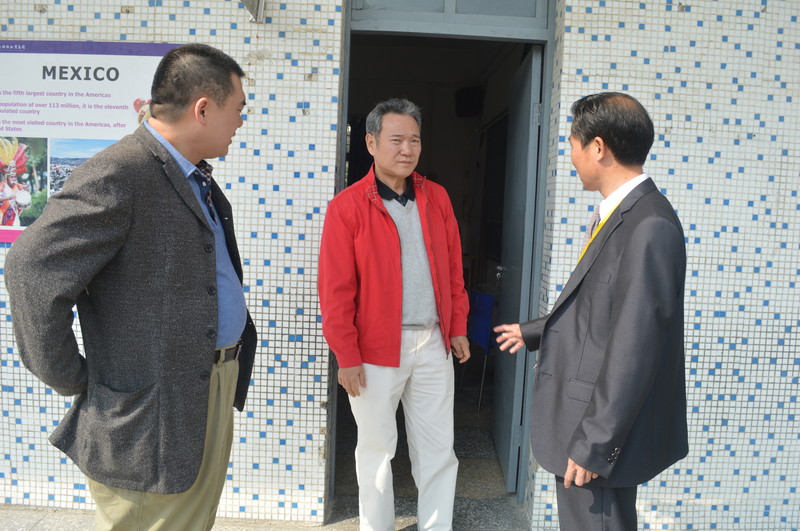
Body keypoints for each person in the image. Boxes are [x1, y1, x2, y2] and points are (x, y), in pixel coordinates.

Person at [4, 43, 257, 530]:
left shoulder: (189, 175)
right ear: (203, 108)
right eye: (238, 108)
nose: (240, 122)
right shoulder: (122, 171)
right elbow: (30, 268)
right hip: (150, 415)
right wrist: (72, 377)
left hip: (204, 388)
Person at [494, 92, 688, 530]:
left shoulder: (649, 225)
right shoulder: (623, 214)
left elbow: (636, 346)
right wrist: (535, 330)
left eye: (572, 144)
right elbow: (598, 304)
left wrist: (594, 443)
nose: (571, 156)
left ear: (598, 147)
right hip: (586, 424)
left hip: (595, 435)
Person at [318, 98, 470, 531]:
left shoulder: (436, 197)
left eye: (415, 140)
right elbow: (335, 291)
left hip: (433, 343)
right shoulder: (348, 206)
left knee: (438, 449)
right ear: (371, 143)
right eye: (397, 139)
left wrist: (457, 326)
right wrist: (346, 355)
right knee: (375, 451)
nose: (407, 149)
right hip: (373, 349)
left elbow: (453, 268)